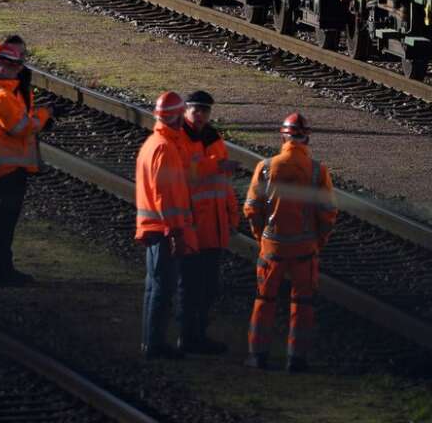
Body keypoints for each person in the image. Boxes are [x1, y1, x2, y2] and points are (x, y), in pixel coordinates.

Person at [243, 112, 337, 372]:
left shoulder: (265, 167)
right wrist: (319, 240)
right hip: (305, 249)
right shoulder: (318, 171)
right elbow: (327, 214)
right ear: (307, 137)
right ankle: (296, 359)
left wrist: (260, 235)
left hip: (272, 246)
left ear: (282, 135)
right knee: (302, 304)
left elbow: (251, 208)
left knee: (264, 300)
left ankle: (257, 355)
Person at [0, 35, 51, 286]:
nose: (20, 71)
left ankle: (0, 270)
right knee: (1, 224)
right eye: (17, 67)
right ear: (5, 67)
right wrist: (46, 115)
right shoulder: (1, 96)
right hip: (4, 167)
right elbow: (22, 127)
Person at [134, 90, 195, 359]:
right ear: (177, 117)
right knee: (162, 288)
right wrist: (175, 230)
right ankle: (154, 344)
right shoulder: (164, 148)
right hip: (162, 230)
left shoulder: (154, 142)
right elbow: (165, 195)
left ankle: (151, 341)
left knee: (154, 286)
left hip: (154, 228)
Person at [178, 90, 238, 354]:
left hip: (213, 227)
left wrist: (231, 216)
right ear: (185, 111)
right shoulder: (179, 139)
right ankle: (187, 336)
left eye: (205, 110)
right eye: (196, 110)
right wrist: (214, 165)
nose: (200, 115)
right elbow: (184, 173)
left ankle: (199, 334)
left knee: (209, 287)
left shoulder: (213, 139)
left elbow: (223, 185)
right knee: (190, 286)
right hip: (192, 227)